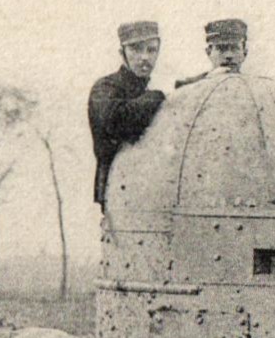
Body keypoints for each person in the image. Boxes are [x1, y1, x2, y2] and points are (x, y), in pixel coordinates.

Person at [87, 20, 166, 206]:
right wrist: (156, 97)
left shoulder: (147, 89)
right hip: (116, 190)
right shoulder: (105, 87)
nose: (144, 57)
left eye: (151, 50)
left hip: (150, 190)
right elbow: (116, 121)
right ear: (122, 53)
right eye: (136, 50)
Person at [174, 18, 248, 88]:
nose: (228, 55)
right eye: (221, 49)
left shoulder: (254, 87)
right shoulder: (188, 87)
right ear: (208, 52)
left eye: (235, 48)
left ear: (245, 53)